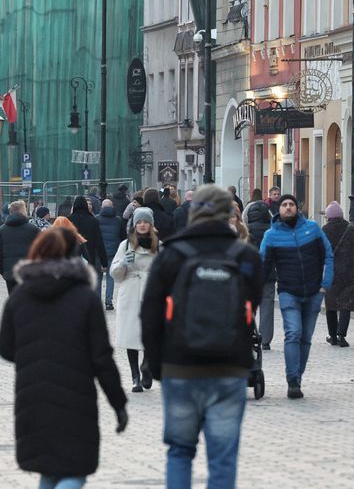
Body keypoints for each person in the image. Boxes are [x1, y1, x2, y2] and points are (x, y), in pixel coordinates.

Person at [140, 184, 263, 489]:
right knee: (223, 456)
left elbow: (150, 314)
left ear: (193, 212)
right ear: (230, 213)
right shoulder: (246, 256)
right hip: (229, 367)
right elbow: (251, 308)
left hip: (180, 367)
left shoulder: (172, 254)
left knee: (180, 451)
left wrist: (157, 366)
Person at [0, 228, 128, 489]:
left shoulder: (20, 296)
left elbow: (5, 347)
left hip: (32, 394)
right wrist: (118, 403)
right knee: (75, 470)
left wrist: (32, 356)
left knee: (49, 470)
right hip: (75, 395)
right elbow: (102, 357)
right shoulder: (85, 298)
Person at [260, 194, 333, 399]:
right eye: (284, 205)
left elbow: (328, 255)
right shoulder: (271, 235)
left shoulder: (312, 228)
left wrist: (324, 285)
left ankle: (297, 378)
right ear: (278, 209)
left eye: (291, 204)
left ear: (297, 208)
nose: (288, 207)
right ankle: (292, 379)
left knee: (306, 338)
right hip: (288, 292)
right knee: (293, 333)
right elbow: (263, 265)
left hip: (313, 292)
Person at [110, 207, 158, 393]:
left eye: (145, 222)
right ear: (134, 225)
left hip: (150, 295)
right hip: (130, 293)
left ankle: (146, 367)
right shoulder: (126, 245)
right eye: (139, 222)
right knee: (131, 337)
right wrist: (123, 264)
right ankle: (135, 377)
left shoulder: (158, 245)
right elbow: (116, 274)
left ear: (151, 224)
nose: (142, 225)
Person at [322, 201, 354, 347]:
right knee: (346, 304)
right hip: (348, 272)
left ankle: (332, 336)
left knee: (331, 304)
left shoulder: (324, 230)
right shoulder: (351, 228)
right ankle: (341, 335)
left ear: (328, 216)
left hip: (330, 273)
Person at [245, 198, 277, 349]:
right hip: (268, 274)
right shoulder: (272, 232)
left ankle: (249, 334)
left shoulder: (245, 231)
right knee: (267, 305)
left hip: (250, 275)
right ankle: (265, 340)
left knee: (249, 304)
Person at [0, 200, 40, 295]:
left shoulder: (2, 230)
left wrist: (4, 271)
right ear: (22, 211)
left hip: (10, 273)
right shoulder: (33, 229)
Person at [69, 196, 109, 277]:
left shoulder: (68, 220)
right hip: (89, 256)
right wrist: (104, 262)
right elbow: (99, 242)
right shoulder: (93, 221)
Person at [96, 199, 125, 310]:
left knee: (98, 277)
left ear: (102, 207)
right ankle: (109, 302)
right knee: (110, 277)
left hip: (98, 253)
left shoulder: (96, 219)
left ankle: (98, 302)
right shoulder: (118, 220)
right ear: (112, 206)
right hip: (113, 252)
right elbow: (123, 236)